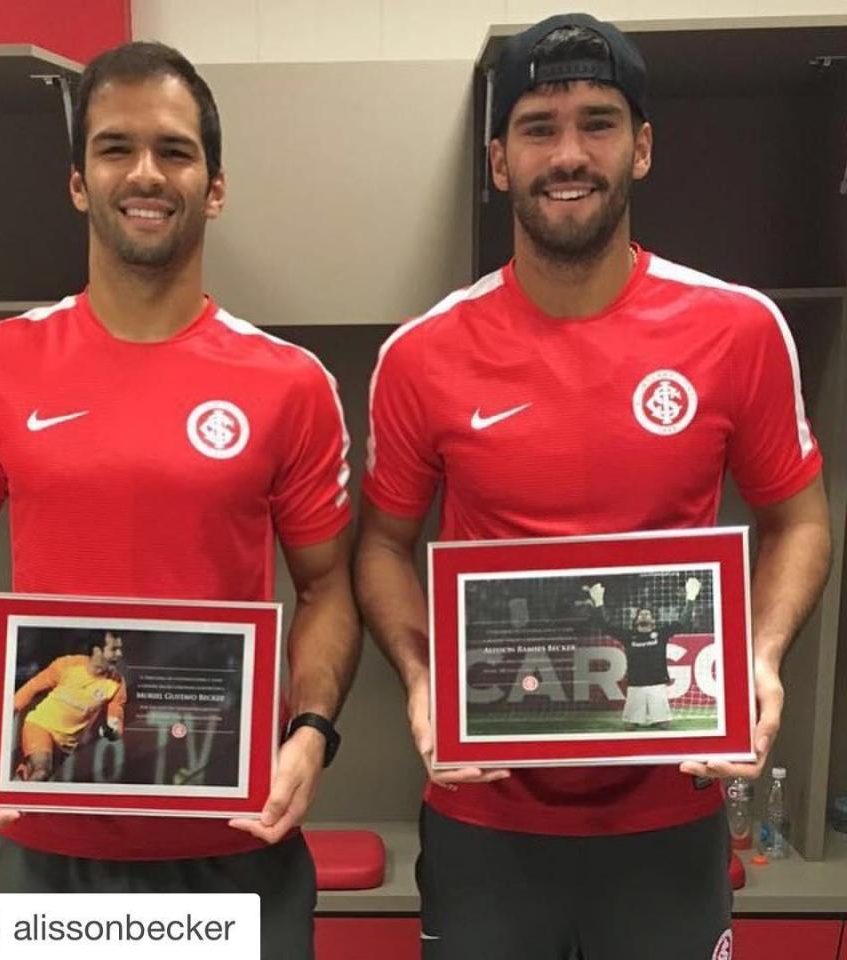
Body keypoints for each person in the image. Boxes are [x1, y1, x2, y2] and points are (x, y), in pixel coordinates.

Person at [354, 12, 830, 959]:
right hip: (485, 814)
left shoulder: (737, 330)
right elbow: (379, 545)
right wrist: (420, 680)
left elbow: (801, 523)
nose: (569, 152)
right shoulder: (421, 355)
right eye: (538, 126)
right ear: (498, 161)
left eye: (598, 121)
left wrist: (762, 656)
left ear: (642, 146)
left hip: (669, 806)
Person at [0, 41, 359, 959]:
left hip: (238, 849)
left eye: (175, 151)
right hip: (46, 851)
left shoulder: (290, 384)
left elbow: (327, 590)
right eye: (115, 148)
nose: (145, 173)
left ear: (214, 187)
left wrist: (309, 735)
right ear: (78, 181)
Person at [587, 577, 700, 729]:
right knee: (629, 727)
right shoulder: (628, 636)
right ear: (636, 620)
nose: (644, 616)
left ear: (653, 621)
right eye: (641, 614)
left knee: (664, 726)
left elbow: (683, 622)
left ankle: (656, 719)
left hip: (657, 684)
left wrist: (691, 598)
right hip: (636, 685)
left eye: (647, 614)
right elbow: (605, 626)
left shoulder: (661, 633)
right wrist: (599, 602)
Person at [13, 630, 127, 780]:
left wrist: (113, 731)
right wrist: (8, 711)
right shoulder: (67, 665)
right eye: (113, 649)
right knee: (42, 771)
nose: (119, 654)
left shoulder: (117, 683)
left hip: (65, 747)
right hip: (40, 726)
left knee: (28, 778)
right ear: (97, 650)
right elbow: (32, 687)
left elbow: (116, 719)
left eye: (120, 649)